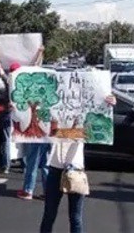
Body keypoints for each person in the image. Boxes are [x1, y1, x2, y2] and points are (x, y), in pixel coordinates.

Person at [40, 95, 117, 233]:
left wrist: (109, 104)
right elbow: (49, 131)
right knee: (49, 214)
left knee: (75, 217)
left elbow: (86, 132)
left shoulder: (83, 115)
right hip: (55, 168)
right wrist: (17, 109)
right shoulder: (54, 112)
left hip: (75, 169)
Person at [0, 45, 45, 174]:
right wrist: (39, 52)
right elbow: (33, 67)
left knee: (7, 140)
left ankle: (6, 166)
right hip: (23, 113)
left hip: (9, 112)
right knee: (22, 139)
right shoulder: (24, 81)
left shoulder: (9, 80)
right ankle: (25, 165)